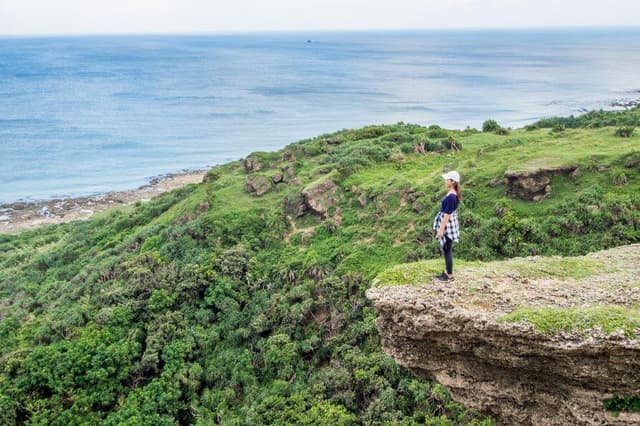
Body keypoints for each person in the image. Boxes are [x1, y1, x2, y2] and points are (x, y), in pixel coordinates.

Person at [432, 171, 462, 282]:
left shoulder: (451, 197)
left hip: (448, 225)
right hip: (449, 223)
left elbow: (447, 215)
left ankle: (449, 275)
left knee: (447, 250)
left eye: (447, 179)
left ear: (452, 181)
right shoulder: (452, 193)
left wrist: (440, 230)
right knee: (446, 249)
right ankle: (447, 272)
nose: (445, 181)